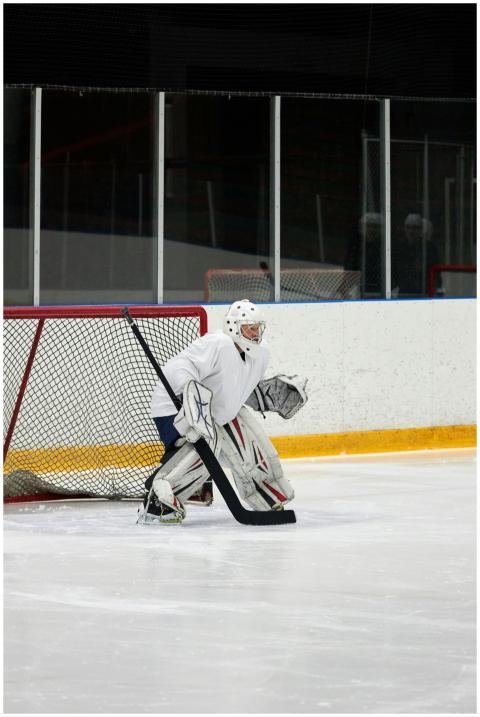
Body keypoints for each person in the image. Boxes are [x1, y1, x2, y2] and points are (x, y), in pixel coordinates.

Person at [138, 299, 308, 524]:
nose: (256, 333)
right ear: (234, 326)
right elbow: (180, 365)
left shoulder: (261, 353)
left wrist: (268, 395)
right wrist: (191, 394)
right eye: (250, 327)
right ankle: (159, 500)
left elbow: (237, 388)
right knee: (211, 442)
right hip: (173, 409)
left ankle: (263, 494)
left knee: (250, 436)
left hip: (215, 412)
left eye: (258, 327)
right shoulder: (219, 343)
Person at [392, 213, 439, 297]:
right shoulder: (398, 247)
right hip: (404, 292)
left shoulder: (429, 248)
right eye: (408, 227)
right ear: (404, 229)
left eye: (415, 227)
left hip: (424, 292)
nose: (411, 231)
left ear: (421, 229)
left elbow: (435, 272)